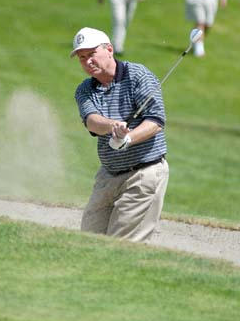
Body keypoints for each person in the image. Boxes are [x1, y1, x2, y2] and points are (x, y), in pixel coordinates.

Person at [72, 27, 169, 243]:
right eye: (82, 58)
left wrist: (128, 138)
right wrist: (112, 126)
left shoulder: (138, 75)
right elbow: (92, 121)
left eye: (91, 54)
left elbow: (156, 121)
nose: (87, 62)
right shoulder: (85, 89)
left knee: (121, 244)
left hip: (143, 173)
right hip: (108, 174)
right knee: (88, 239)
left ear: (109, 50)